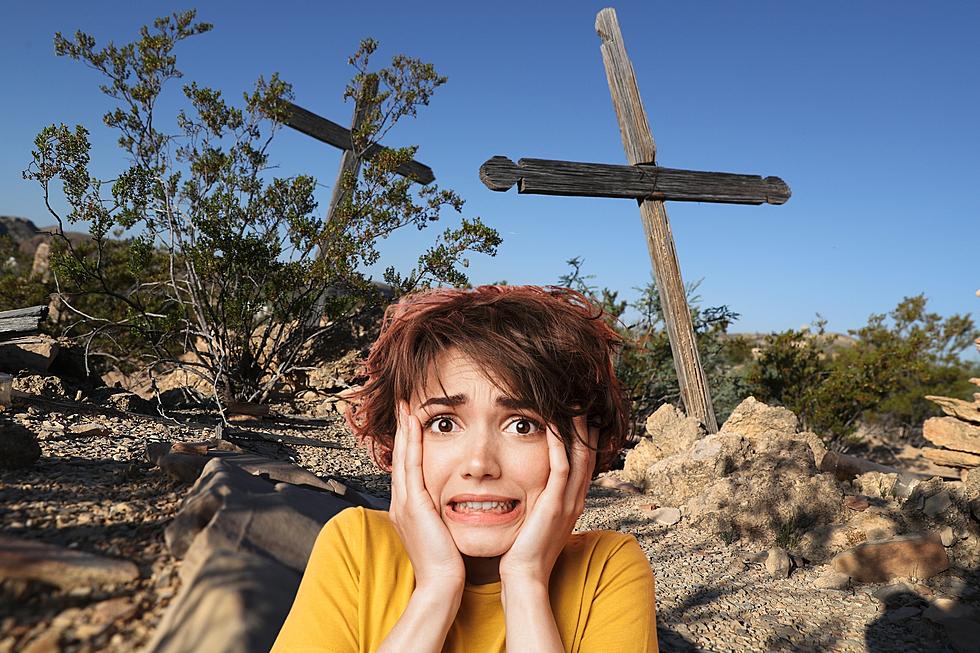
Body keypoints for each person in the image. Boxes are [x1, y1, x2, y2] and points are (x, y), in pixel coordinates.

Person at [271, 285, 658, 652]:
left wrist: (526, 582)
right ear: (400, 438)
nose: (479, 464)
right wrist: (436, 589)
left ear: (578, 449)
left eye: (523, 425)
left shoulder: (607, 567)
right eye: (444, 423)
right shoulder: (357, 545)